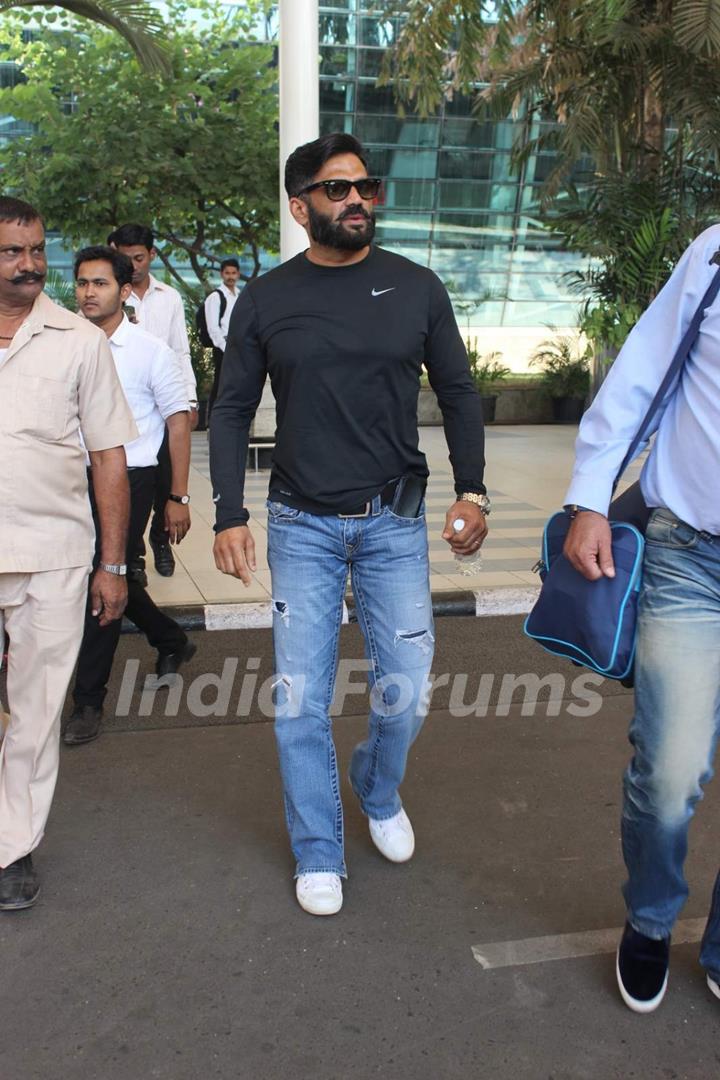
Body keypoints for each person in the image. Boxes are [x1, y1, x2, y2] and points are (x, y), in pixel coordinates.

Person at [210, 133, 489, 916]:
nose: (357, 199)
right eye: (336, 190)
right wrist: (228, 513)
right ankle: (318, 849)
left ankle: (376, 783)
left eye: (365, 186)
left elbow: (461, 394)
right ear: (301, 208)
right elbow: (231, 409)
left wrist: (476, 492)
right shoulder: (265, 298)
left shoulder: (416, 287)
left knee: (408, 690)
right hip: (300, 523)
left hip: (393, 520)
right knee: (300, 697)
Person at [563, 223, 720, 1011]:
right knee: (670, 770)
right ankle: (653, 920)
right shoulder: (718, 252)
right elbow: (639, 373)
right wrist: (591, 497)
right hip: (694, 553)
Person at [0, 199, 138, 910]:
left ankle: (11, 849)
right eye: (10, 252)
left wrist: (112, 565)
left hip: (53, 556)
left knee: (34, 711)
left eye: (35, 250)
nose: (27, 265)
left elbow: (110, 457)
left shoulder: (79, 341)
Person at [63, 246, 195, 747]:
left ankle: (88, 702)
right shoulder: (67, 343)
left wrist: (177, 496)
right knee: (96, 572)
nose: (88, 292)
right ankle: (170, 638)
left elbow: (178, 422)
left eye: (99, 283)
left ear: (124, 290)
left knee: (105, 571)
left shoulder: (150, 352)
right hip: (74, 475)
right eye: (81, 283)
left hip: (132, 477)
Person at [107, 223, 197, 579]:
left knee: (165, 478)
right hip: (124, 406)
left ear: (152, 255)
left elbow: (180, 351)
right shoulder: (111, 292)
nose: (132, 264)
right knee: (128, 482)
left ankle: (160, 539)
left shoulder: (169, 297)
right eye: (124, 258)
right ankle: (134, 556)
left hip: (165, 404)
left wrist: (189, 399)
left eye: (139, 257)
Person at [204, 257, 240, 417]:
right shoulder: (215, 297)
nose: (230, 276)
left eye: (233, 273)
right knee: (220, 383)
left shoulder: (240, 295)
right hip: (222, 346)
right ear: (221, 274)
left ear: (238, 274)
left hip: (237, 345)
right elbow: (213, 328)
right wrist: (225, 348)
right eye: (227, 273)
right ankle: (212, 420)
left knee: (236, 383)